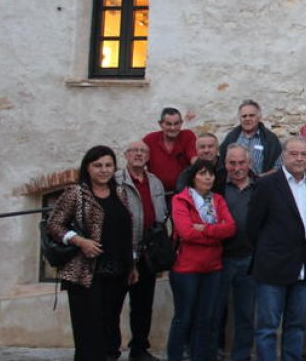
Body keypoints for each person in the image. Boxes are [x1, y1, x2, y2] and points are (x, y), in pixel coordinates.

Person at [46, 145, 136, 361]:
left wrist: (132, 265)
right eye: (98, 165)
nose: (104, 170)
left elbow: (127, 230)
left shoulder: (120, 192)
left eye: (108, 165)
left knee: (110, 327)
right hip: (85, 272)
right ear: (88, 167)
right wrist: (80, 241)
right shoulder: (76, 193)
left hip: (117, 270)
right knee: (89, 330)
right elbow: (54, 224)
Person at [247, 137, 306, 361]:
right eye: (294, 154)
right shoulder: (266, 185)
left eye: (304, 154)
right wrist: (270, 252)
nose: (299, 158)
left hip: (303, 267)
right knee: (267, 327)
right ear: (283, 155)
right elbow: (252, 227)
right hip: (272, 267)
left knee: (297, 325)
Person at [169, 160, 236, 361]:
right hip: (187, 268)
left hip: (213, 267)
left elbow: (230, 228)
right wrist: (216, 233)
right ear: (193, 177)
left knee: (205, 318)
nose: (207, 178)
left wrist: (204, 229)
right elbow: (186, 232)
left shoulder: (218, 200)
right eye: (202, 173)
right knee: (184, 318)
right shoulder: (181, 200)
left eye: (211, 174)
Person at [113, 140, 168, 361]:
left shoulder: (155, 182)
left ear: (148, 156)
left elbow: (161, 214)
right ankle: (110, 350)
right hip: (123, 251)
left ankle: (139, 349)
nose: (138, 154)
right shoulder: (115, 180)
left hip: (147, 253)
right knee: (114, 303)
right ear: (126, 154)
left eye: (143, 151)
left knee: (143, 304)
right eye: (134, 151)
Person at [214, 144, 257, 361]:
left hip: (250, 259)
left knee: (245, 314)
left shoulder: (259, 188)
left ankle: (241, 356)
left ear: (249, 163)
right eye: (232, 163)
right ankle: (213, 352)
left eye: (242, 163)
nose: (237, 167)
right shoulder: (217, 187)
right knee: (214, 310)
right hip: (221, 258)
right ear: (225, 164)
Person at [219, 99, 282, 176]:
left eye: (251, 115)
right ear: (240, 119)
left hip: (261, 182)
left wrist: (261, 178)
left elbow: (278, 166)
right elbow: (222, 163)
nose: (247, 119)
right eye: (244, 116)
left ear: (259, 117)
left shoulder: (270, 139)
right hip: (234, 182)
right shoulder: (231, 138)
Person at [143, 107, 198, 193]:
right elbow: (139, 160)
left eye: (176, 124)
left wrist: (201, 167)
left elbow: (193, 157)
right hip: (157, 194)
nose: (173, 128)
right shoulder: (150, 140)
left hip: (183, 193)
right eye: (168, 124)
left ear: (181, 123)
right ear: (161, 124)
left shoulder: (187, 136)